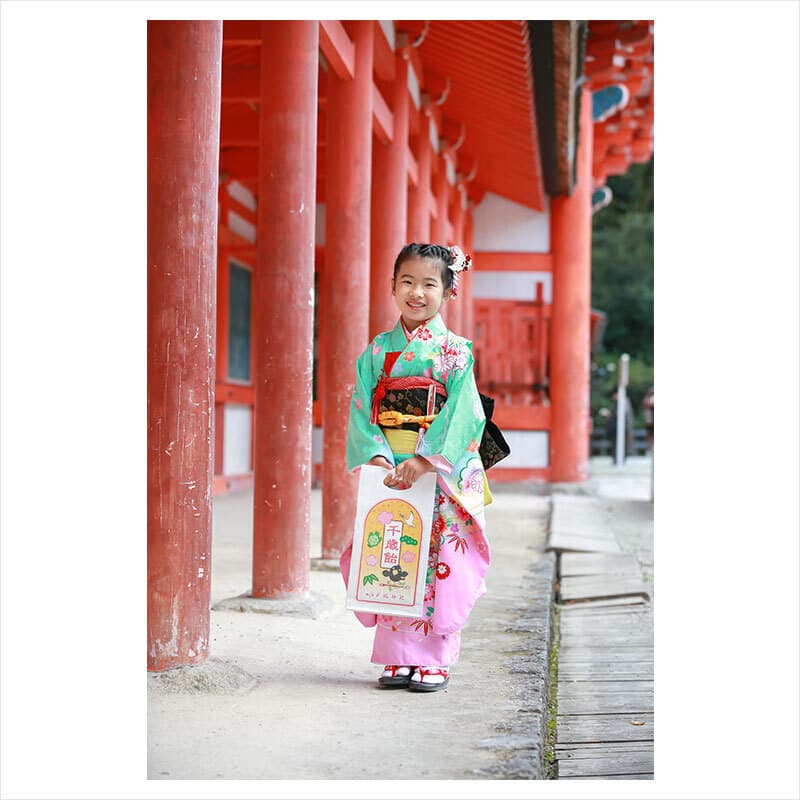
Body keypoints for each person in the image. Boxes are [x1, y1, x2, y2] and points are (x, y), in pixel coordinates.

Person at [339, 243, 491, 693]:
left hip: (436, 472)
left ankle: (435, 660)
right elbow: (362, 406)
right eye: (407, 282)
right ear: (392, 286)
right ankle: (396, 657)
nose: (417, 293)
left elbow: (467, 414)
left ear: (448, 292)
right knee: (393, 553)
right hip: (391, 468)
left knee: (439, 560)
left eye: (429, 284)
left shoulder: (456, 352)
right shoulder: (377, 352)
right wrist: (381, 456)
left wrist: (424, 460)